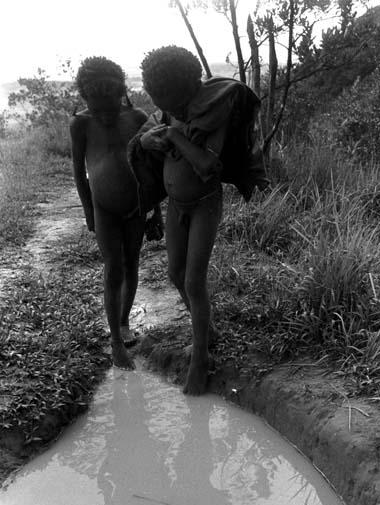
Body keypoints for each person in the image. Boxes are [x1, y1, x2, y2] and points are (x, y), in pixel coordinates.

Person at [133, 45, 268, 395]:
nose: (171, 111)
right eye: (165, 105)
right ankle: (206, 330)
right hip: (178, 205)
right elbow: (149, 132)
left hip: (205, 203)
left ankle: (200, 359)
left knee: (194, 281)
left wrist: (176, 137)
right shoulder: (171, 106)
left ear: (189, 89)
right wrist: (150, 139)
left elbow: (208, 165)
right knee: (175, 273)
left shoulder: (212, 108)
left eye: (174, 105)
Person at [70, 56, 163, 370]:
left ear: (121, 93)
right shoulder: (80, 123)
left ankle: (123, 322)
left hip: (136, 207)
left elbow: (150, 168)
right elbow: (78, 172)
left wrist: (157, 212)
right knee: (114, 269)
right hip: (104, 209)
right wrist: (88, 211)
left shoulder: (136, 117)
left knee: (132, 262)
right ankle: (114, 342)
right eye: (97, 105)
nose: (104, 112)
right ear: (86, 98)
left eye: (110, 103)